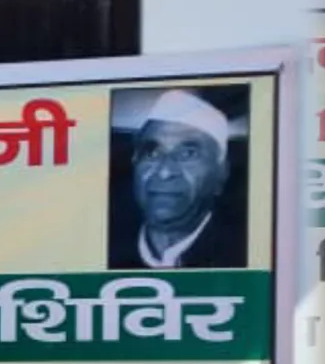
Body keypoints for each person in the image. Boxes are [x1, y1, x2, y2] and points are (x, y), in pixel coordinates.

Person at [106, 88, 247, 270]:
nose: (164, 172)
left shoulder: (243, 254)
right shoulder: (104, 242)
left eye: (188, 154)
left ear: (222, 173)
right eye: (152, 153)